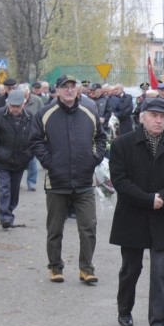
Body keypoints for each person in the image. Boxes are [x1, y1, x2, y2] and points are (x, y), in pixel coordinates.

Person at [109, 98, 164, 326]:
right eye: (153, 115)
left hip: (162, 216)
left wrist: (163, 198)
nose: (158, 120)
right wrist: (147, 199)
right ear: (142, 117)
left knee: (159, 272)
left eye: (163, 116)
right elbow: (120, 180)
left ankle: (158, 324)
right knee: (131, 269)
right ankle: (124, 308)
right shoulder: (123, 144)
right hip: (132, 215)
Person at [29, 75, 107, 284]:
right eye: (65, 87)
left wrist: (95, 158)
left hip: (84, 181)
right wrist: (50, 163)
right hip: (57, 182)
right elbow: (35, 141)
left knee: (88, 227)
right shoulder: (46, 114)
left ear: (79, 90)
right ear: (57, 91)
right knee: (55, 229)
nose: (70, 90)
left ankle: (86, 268)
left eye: (73, 87)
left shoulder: (89, 111)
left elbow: (101, 137)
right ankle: (55, 267)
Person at [0, 89, 34, 229]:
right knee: (4, 188)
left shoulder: (30, 117)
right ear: (8, 104)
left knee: (14, 189)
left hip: (20, 159)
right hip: (2, 160)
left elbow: (35, 138)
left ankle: (10, 210)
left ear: (23, 104)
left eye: (18, 106)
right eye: (12, 106)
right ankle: (5, 217)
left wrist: (28, 154)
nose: (15, 109)